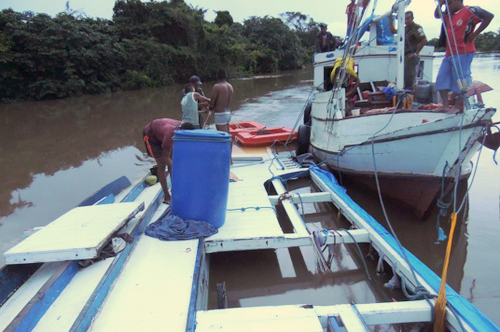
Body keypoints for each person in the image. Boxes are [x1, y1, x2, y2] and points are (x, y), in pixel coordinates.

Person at [434, 0, 493, 112]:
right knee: (441, 77)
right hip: (449, 52)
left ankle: (458, 106)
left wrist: (475, 34)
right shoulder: (448, 14)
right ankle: (445, 105)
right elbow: (437, 15)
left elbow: (489, 16)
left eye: (449, 2)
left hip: (464, 51)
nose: (448, 5)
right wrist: (440, 4)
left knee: (462, 79)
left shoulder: (470, 10)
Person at [143, 119, 195, 204]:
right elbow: (165, 157)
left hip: (162, 133)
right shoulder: (170, 135)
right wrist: (173, 165)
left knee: (173, 163)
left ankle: (175, 192)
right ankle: (166, 196)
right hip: (151, 136)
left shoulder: (184, 127)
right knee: (162, 164)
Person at [389, 11, 427, 90]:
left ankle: (409, 93)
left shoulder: (417, 28)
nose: (406, 21)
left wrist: (416, 53)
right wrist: (390, 18)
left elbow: (424, 40)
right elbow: (393, 31)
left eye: (408, 19)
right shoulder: (404, 29)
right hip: (404, 56)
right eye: (405, 19)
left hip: (411, 56)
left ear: (412, 18)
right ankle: (403, 92)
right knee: (401, 76)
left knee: (409, 76)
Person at [210, 69, 234, 133]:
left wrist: (210, 107)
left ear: (217, 76)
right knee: (227, 133)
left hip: (220, 114)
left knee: (222, 135)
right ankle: (231, 143)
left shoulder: (217, 86)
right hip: (228, 113)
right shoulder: (230, 86)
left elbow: (213, 101)